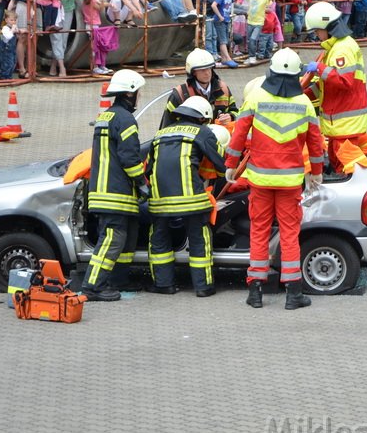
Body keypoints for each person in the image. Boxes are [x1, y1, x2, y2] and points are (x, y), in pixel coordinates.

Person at [226, 48, 324, 310]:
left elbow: (238, 135)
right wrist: (316, 173)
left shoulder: (256, 97)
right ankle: (293, 293)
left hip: (259, 179)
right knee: (290, 234)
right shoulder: (304, 103)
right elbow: (316, 145)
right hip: (290, 182)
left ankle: (255, 291)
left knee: (259, 231)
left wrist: (230, 165)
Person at [146, 96, 226, 296]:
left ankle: (164, 285)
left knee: (159, 239)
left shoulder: (159, 134)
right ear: (202, 118)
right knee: (199, 238)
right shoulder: (202, 132)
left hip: (160, 199)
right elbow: (222, 162)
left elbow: (148, 169)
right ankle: (203, 287)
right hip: (191, 198)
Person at [82, 69, 148, 302]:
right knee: (113, 239)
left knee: (127, 237)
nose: (139, 96)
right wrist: (141, 182)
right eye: (138, 92)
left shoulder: (107, 116)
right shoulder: (125, 119)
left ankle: (119, 279)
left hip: (105, 190)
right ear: (130, 94)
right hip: (115, 192)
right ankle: (93, 285)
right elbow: (129, 157)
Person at [303, 1, 367, 170]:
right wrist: (305, 94)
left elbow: (344, 81)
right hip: (340, 122)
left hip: (346, 121)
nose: (317, 35)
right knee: (336, 160)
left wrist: (319, 68)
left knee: (347, 165)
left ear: (326, 27)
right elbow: (326, 85)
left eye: (317, 31)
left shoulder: (342, 49)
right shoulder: (335, 47)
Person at [161, 48, 238, 128]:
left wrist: (231, 116)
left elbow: (236, 111)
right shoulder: (180, 95)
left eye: (209, 68)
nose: (207, 73)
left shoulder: (223, 89)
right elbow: (167, 126)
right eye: (202, 70)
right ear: (193, 73)